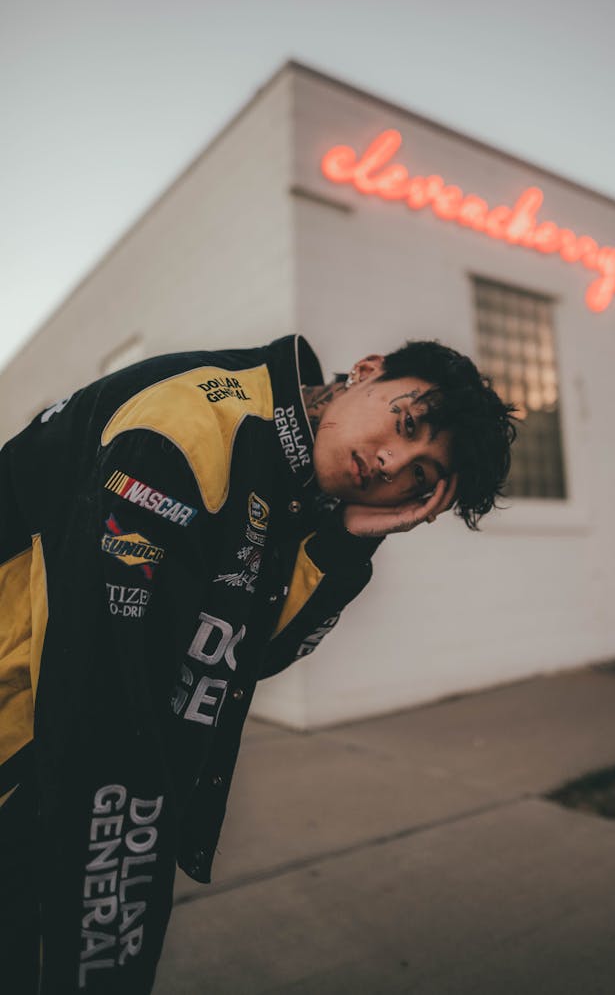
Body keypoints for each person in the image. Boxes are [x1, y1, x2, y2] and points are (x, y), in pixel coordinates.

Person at [0, 332, 516, 993]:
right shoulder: (188, 432)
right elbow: (111, 712)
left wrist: (342, 545)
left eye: (419, 476)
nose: (390, 462)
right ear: (365, 371)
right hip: (25, 742)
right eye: (406, 423)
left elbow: (234, 653)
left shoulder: (286, 476)